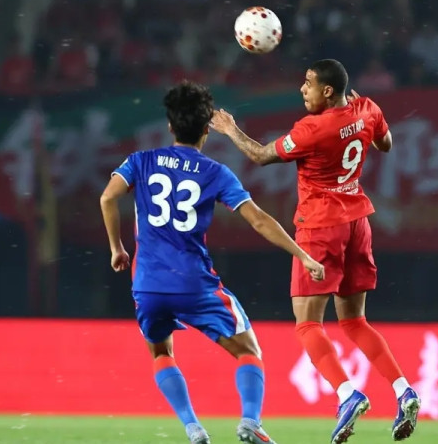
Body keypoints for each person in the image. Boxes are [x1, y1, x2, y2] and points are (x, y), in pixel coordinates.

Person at [100, 80, 325, 444]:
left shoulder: (140, 161)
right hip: (193, 282)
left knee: (160, 351)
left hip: (148, 284)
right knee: (249, 351)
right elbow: (258, 220)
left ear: (170, 125)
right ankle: (250, 421)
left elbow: (108, 198)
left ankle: (193, 428)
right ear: (207, 129)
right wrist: (302, 254)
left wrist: (117, 249)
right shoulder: (215, 173)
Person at [209, 59, 420, 443]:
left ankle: (347, 394)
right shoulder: (367, 108)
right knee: (355, 322)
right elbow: (386, 144)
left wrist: (230, 129)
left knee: (308, 325)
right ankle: (403, 389)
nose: (302, 90)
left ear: (327, 91)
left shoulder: (312, 129)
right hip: (358, 222)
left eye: (308, 83)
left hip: (321, 227)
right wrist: (362, 120)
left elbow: (260, 155)